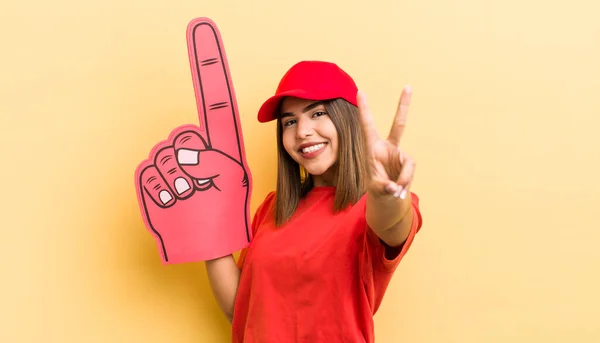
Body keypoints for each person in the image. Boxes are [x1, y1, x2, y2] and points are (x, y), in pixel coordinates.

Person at [204, 60, 424, 343]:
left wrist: (389, 195)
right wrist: (205, 226)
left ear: (348, 119)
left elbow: (393, 222)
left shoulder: (371, 207)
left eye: (317, 113)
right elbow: (242, 312)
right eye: (290, 121)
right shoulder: (272, 209)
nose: (302, 132)